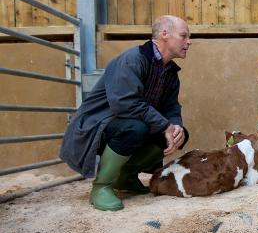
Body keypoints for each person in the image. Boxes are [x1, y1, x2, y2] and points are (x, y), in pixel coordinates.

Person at [59, 15, 192, 211]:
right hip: (96, 126)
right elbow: (124, 104)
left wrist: (175, 126)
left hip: (126, 123)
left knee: (178, 134)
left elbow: (171, 107)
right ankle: (101, 186)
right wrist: (164, 125)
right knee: (135, 128)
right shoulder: (133, 59)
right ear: (165, 34)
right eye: (184, 36)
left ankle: (126, 176)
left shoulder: (170, 72)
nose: (189, 41)